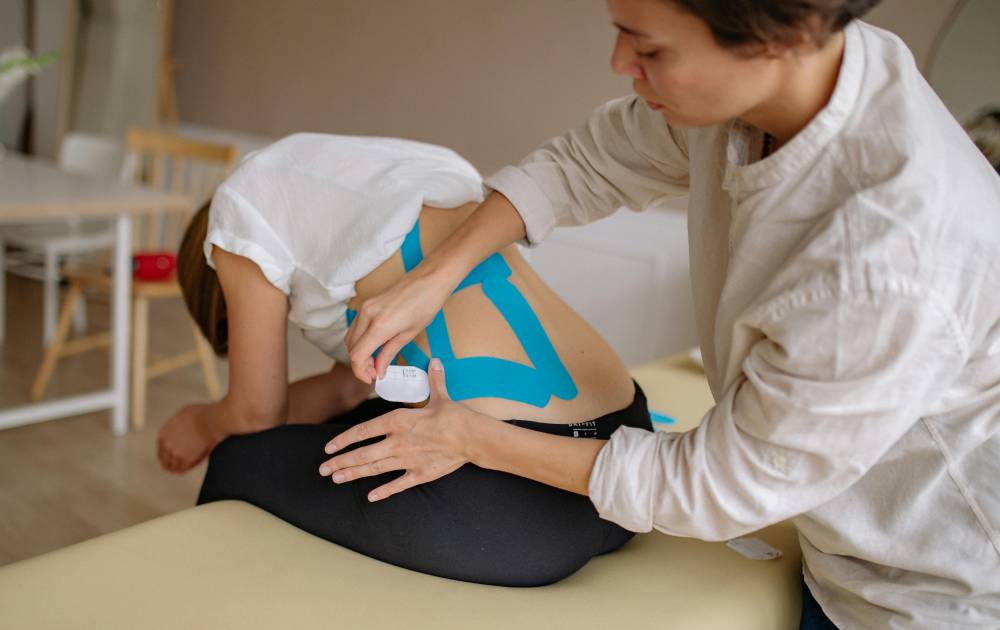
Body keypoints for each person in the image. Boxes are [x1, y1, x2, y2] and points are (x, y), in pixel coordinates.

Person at [331, 1, 1000, 628]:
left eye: (649, 48)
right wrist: (433, 276)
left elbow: (714, 486)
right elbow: (585, 163)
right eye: (622, 31)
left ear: (780, 39)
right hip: (835, 539)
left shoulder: (884, 260)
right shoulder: (788, 80)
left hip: (929, 594)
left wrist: (470, 439)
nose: (620, 63)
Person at [157, 132, 655, 587]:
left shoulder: (240, 210)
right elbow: (343, 390)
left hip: (518, 511)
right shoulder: (400, 172)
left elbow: (255, 416)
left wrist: (202, 423)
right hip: (625, 457)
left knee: (237, 459)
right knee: (364, 419)